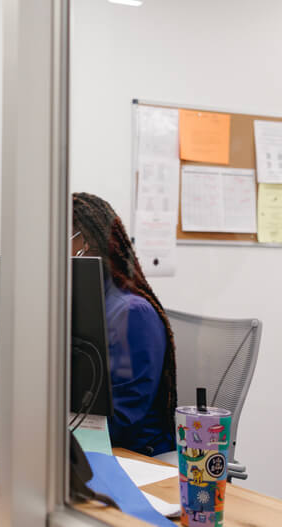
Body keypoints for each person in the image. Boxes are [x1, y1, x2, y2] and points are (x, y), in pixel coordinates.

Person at [71, 192, 177, 456]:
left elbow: (123, 420)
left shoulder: (132, 313)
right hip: (86, 443)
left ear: (84, 242)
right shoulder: (78, 302)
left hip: (138, 456)